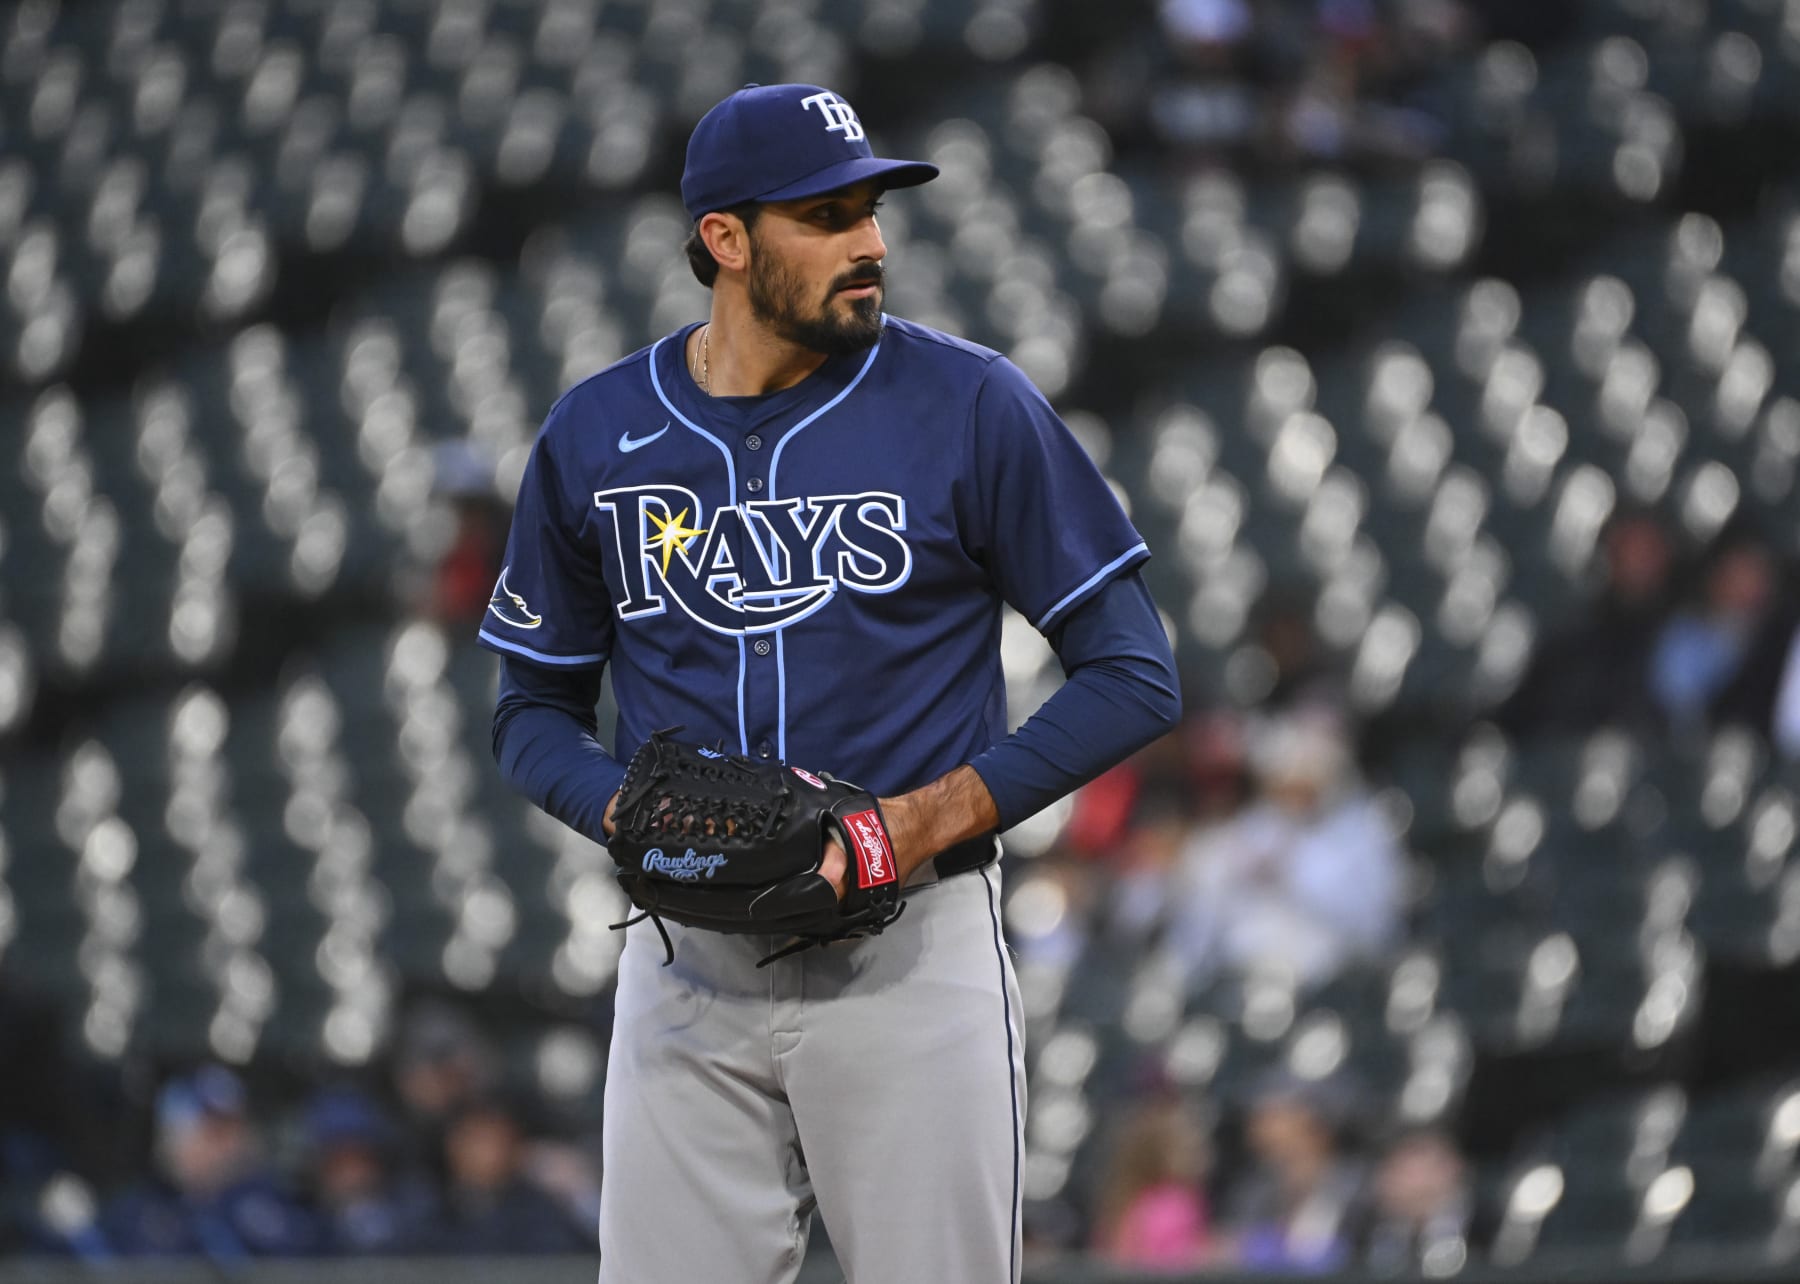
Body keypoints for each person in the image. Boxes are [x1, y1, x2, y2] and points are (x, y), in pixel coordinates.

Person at [480, 82, 1182, 1283]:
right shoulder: (596, 434)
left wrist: (920, 820)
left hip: (911, 954)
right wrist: (628, 814)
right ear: (726, 241)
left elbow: (1136, 673)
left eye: (871, 210)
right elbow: (530, 711)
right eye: (828, 215)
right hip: (685, 969)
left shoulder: (969, 403)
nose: (871, 243)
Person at [99, 1066, 318, 1259]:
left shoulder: (271, 1205)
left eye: (234, 1131)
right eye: (212, 1133)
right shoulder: (137, 1210)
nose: (229, 1146)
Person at [1090, 1094, 1218, 1271]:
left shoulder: (1123, 1200)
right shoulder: (1176, 1202)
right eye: (1188, 1148)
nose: (1201, 1154)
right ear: (1158, 1154)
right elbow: (1180, 1264)